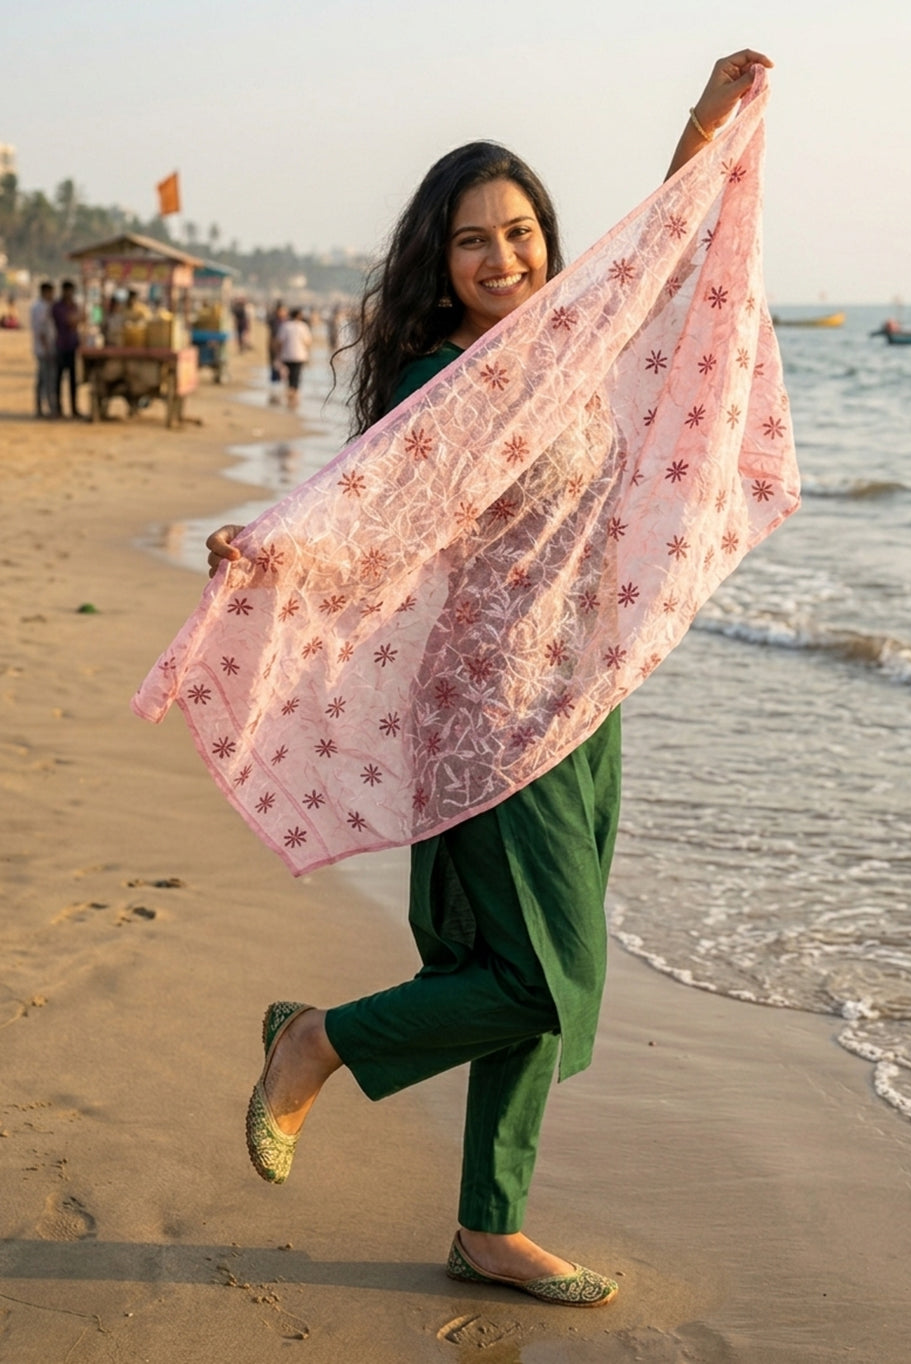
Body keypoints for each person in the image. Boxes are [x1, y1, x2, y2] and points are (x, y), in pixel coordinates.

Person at [205, 49, 772, 1307]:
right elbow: (374, 503)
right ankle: (318, 1043)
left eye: (520, 231)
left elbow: (655, 268)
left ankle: (488, 1226)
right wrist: (272, 546)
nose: (502, 256)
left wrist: (703, 128)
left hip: (579, 701)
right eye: (473, 241)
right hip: (489, 713)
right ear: (439, 261)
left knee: (526, 974)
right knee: (539, 973)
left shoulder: (569, 344)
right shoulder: (437, 378)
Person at [51, 279, 82, 418]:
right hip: (61, 345)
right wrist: (77, 319)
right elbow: (70, 321)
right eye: (67, 291)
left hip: (73, 345)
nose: (69, 294)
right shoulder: (58, 307)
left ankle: (74, 408)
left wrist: (77, 319)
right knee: (58, 379)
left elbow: (78, 320)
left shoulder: (74, 306)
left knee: (73, 380)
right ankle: (58, 408)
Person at [275, 305, 312, 409]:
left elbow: (280, 341)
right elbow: (308, 341)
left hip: (287, 354)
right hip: (300, 355)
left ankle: (291, 391)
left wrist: (278, 353)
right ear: (299, 316)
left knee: (290, 374)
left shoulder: (285, 326)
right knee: (297, 374)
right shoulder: (303, 326)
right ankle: (294, 393)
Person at [29, 282, 57, 418]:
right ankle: (49, 408)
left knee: (42, 379)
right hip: (45, 349)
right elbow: (41, 330)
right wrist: (47, 349)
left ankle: (40, 407)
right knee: (47, 379)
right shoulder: (42, 307)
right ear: (46, 292)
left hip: (42, 348)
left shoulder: (38, 306)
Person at [266, 299, 287, 404]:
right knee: (275, 368)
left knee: (280, 369)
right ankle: (274, 390)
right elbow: (274, 337)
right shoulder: (275, 321)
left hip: (282, 349)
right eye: (282, 310)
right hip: (275, 348)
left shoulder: (284, 321)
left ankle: (278, 389)